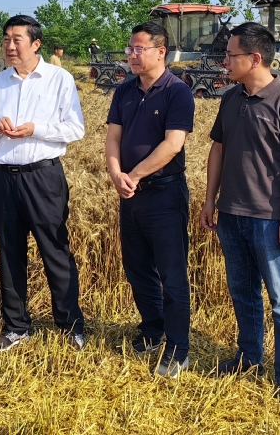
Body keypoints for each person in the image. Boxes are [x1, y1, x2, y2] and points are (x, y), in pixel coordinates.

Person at [199, 22, 280, 406]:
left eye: (231, 55)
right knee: (243, 293)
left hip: (270, 220)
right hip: (231, 215)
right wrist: (210, 200)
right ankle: (249, 359)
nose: (225, 61)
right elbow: (218, 149)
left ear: (255, 58)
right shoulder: (231, 98)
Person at [0, 15, 86, 352]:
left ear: (36, 44)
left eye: (17, 39)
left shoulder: (59, 79)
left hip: (43, 177)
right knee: (9, 252)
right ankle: (16, 327)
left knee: (55, 249)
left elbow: (75, 129)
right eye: (6, 39)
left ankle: (70, 326)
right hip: (4, 178)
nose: (9, 46)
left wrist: (35, 129)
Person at [105, 22, 195, 378]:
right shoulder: (124, 91)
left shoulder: (178, 92)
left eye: (139, 49)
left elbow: (173, 145)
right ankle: (153, 329)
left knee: (172, 274)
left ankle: (178, 348)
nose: (131, 54)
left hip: (164, 195)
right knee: (137, 268)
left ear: (161, 52)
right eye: (130, 48)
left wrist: (135, 175)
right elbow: (113, 138)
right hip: (130, 196)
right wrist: (116, 174)